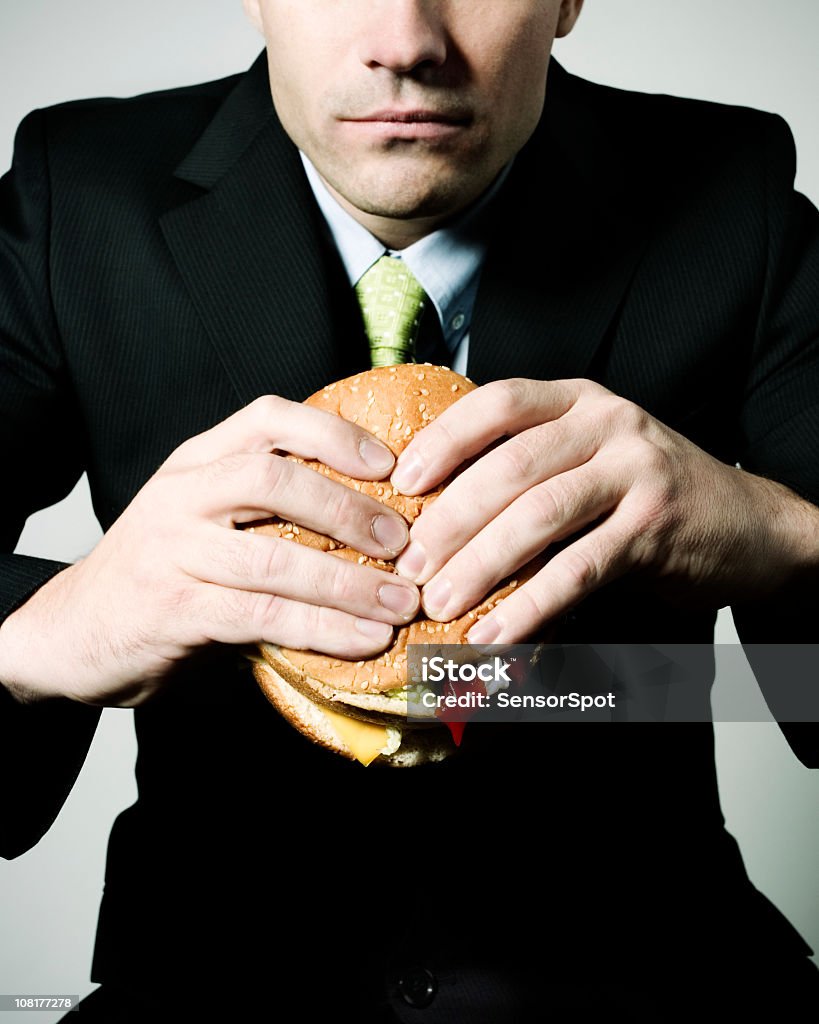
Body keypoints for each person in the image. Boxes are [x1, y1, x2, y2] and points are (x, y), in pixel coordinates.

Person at [1, 0, 817, 1019]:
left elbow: (798, 669)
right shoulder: (75, 194)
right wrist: (44, 631)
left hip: (653, 977)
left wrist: (775, 532)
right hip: (212, 983)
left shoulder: (728, 189)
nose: (405, 39)